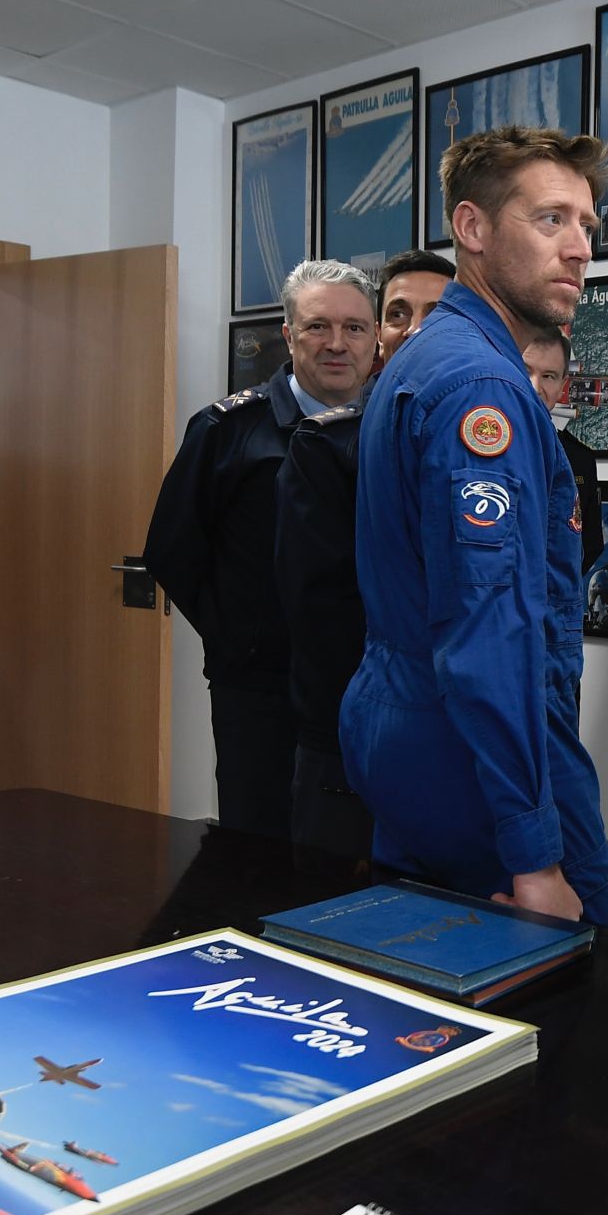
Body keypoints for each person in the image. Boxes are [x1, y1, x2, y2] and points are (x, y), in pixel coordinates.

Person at [340, 125, 608, 924]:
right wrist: (533, 853)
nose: (580, 249)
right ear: (473, 229)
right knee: (577, 1005)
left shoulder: (427, 360)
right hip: (472, 752)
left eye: (587, 226)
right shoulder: (478, 388)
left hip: (409, 727)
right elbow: (487, 629)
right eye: (551, 219)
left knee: (431, 990)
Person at [145, 259, 377, 838]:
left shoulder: (390, 432)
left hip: (366, 684)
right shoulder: (229, 430)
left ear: (376, 339)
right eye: (318, 327)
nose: (336, 344)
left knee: (359, 853)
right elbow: (172, 550)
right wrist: (240, 638)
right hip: (260, 691)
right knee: (258, 848)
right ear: (289, 335)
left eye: (354, 328)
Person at [274, 251, 450, 859]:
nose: (417, 329)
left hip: (462, 726)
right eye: (400, 313)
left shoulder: (491, 436)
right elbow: (317, 602)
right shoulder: (328, 444)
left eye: (438, 312)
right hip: (352, 720)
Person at [522, 327, 603, 575]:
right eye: (525, 371)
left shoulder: (580, 460)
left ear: (562, 385)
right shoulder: (481, 447)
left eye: (548, 376)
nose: (535, 387)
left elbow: (590, 544)